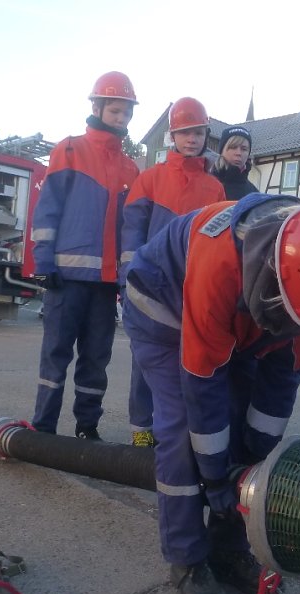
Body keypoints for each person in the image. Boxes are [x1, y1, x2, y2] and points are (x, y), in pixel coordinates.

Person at [122, 193, 300, 594]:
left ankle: (228, 546)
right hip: (165, 308)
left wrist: (256, 458)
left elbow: (279, 384)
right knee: (186, 431)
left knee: (238, 429)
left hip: (242, 315)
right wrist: (217, 475)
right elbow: (203, 385)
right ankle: (186, 558)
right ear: (278, 279)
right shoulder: (218, 261)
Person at [30, 71, 140, 439]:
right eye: (115, 108)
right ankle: (43, 428)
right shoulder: (70, 149)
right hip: (66, 278)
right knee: (56, 356)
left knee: (96, 361)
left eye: (126, 110)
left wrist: (126, 278)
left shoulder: (130, 168)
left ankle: (86, 428)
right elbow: (48, 209)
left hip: (105, 284)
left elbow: (130, 229)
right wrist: (44, 261)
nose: (121, 116)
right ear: (97, 106)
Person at [121, 97, 226, 447]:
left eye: (197, 132)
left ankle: (182, 428)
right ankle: (141, 427)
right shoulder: (150, 179)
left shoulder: (215, 188)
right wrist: (128, 279)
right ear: (172, 136)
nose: (192, 139)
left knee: (190, 358)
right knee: (145, 359)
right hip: (153, 284)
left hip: (195, 286)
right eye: (184, 133)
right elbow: (132, 230)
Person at [212, 126, 257, 200]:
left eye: (244, 149)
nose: (238, 153)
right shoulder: (207, 184)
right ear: (222, 151)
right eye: (233, 147)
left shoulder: (253, 194)